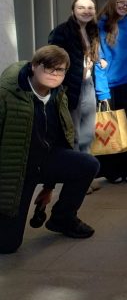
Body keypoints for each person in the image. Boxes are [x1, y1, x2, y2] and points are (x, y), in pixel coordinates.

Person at [0, 46, 100, 254]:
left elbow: (60, 140)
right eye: (48, 69)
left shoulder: (57, 95)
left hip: (45, 160)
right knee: (7, 245)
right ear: (34, 67)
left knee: (87, 164)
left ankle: (63, 218)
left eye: (60, 70)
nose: (54, 75)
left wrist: (49, 187)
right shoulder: (7, 94)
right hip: (15, 170)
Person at [95, 0, 127, 182]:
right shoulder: (101, 24)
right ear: (113, 2)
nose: (124, 6)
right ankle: (112, 171)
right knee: (111, 127)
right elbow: (98, 59)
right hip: (109, 85)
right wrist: (102, 91)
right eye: (121, 2)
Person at [48, 0, 100, 155]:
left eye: (90, 8)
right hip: (71, 86)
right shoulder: (61, 31)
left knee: (88, 132)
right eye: (81, 7)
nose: (86, 11)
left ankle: (86, 170)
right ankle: (76, 171)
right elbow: (53, 59)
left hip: (89, 84)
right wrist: (74, 71)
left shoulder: (93, 30)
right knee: (74, 133)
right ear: (73, 11)